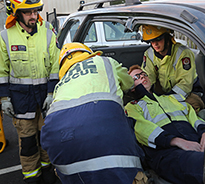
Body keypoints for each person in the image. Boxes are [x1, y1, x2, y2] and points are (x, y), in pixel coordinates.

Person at [40, 43, 147, 184]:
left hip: (55, 137)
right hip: (102, 126)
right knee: (127, 174)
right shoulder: (105, 61)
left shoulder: (62, 83)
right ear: (88, 52)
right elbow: (128, 83)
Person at [125, 65, 205, 184]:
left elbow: (193, 116)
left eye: (144, 74)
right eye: (136, 77)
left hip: (196, 141)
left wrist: (204, 133)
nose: (142, 77)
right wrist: (178, 141)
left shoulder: (171, 98)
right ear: (131, 87)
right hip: (167, 152)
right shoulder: (132, 107)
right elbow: (142, 130)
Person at [0, 0, 60, 183]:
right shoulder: (6, 37)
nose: (34, 16)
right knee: (27, 145)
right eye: (28, 13)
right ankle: (32, 178)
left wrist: (51, 94)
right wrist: (4, 98)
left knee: (47, 142)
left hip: (44, 100)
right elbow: (1, 71)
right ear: (17, 14)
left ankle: (49, 176)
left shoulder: (48, 33)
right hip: (21, 101)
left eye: (35, 11)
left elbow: (55, 67)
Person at [141, 25, 205, 113]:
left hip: (188, 94)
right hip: (164, 94)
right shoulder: (149, 54)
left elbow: (185, 84)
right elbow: (148, 76)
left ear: (167, 38)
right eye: (151, 41)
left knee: (185, 111)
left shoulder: (183, 53)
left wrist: (166, 100)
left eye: (158, 39)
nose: (155, 44)